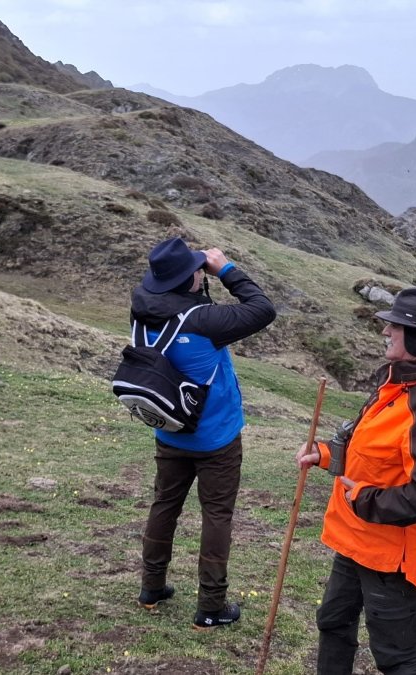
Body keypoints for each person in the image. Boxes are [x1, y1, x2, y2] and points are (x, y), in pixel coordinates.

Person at [296, 287, 416, 674]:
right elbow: (377, 451)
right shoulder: (400, 382)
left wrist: (364, 500)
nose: (385, 332)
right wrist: (326, 455)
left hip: (393, 550)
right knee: (333, 620)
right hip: (359, 536)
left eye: (393, 325)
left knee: (395, 650)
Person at [133, 237, 276, 630]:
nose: (202, 272)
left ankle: (151, 587)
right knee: (216, 515)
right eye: (197, 270)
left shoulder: (141, 306)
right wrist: (226, 269)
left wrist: (193, 278)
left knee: (164, 505)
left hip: (170, 430)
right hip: (216, 438)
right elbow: (262, 309)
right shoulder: (203, 322)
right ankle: (211, 606)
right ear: (190, 279)